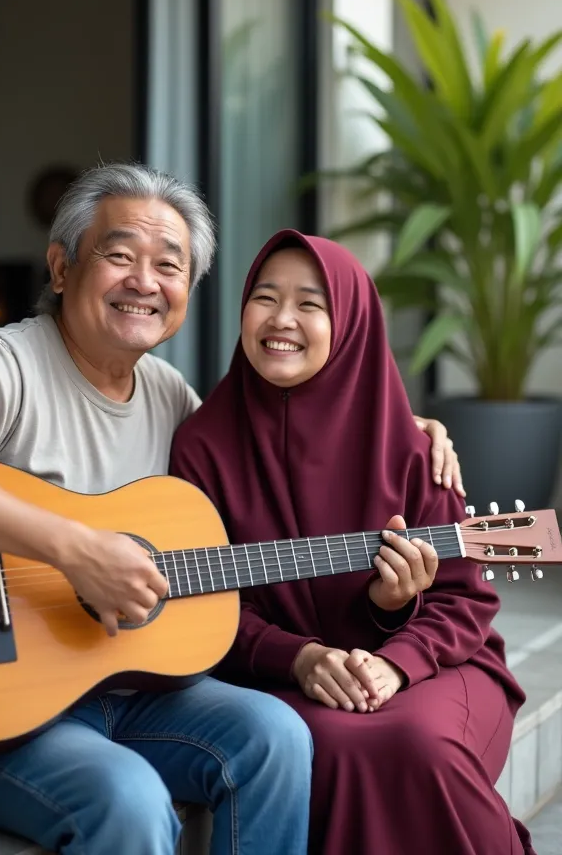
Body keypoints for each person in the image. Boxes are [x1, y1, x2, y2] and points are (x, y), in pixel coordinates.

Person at [0, 164, 460, 855]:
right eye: (119, 255)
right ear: (61, 268)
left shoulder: (172, 397)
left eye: (169, 265)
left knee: (275, 738)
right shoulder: (2, 363)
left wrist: (400, 426)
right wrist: (74, 550)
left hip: (126, 690)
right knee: (129, 799)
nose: (144, 282)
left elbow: (281, 437)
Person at [170, 230, 534, 855]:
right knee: (331, 746)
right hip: (289, 679)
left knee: (420, 743)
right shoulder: (202, 446)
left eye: (311, 304)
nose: (282, 319)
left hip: (438, 667)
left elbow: (465, 603)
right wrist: (303, 658)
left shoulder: (412, 447)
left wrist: (395, 638)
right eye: (265, 296)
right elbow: (208, 604)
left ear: (352, 324)